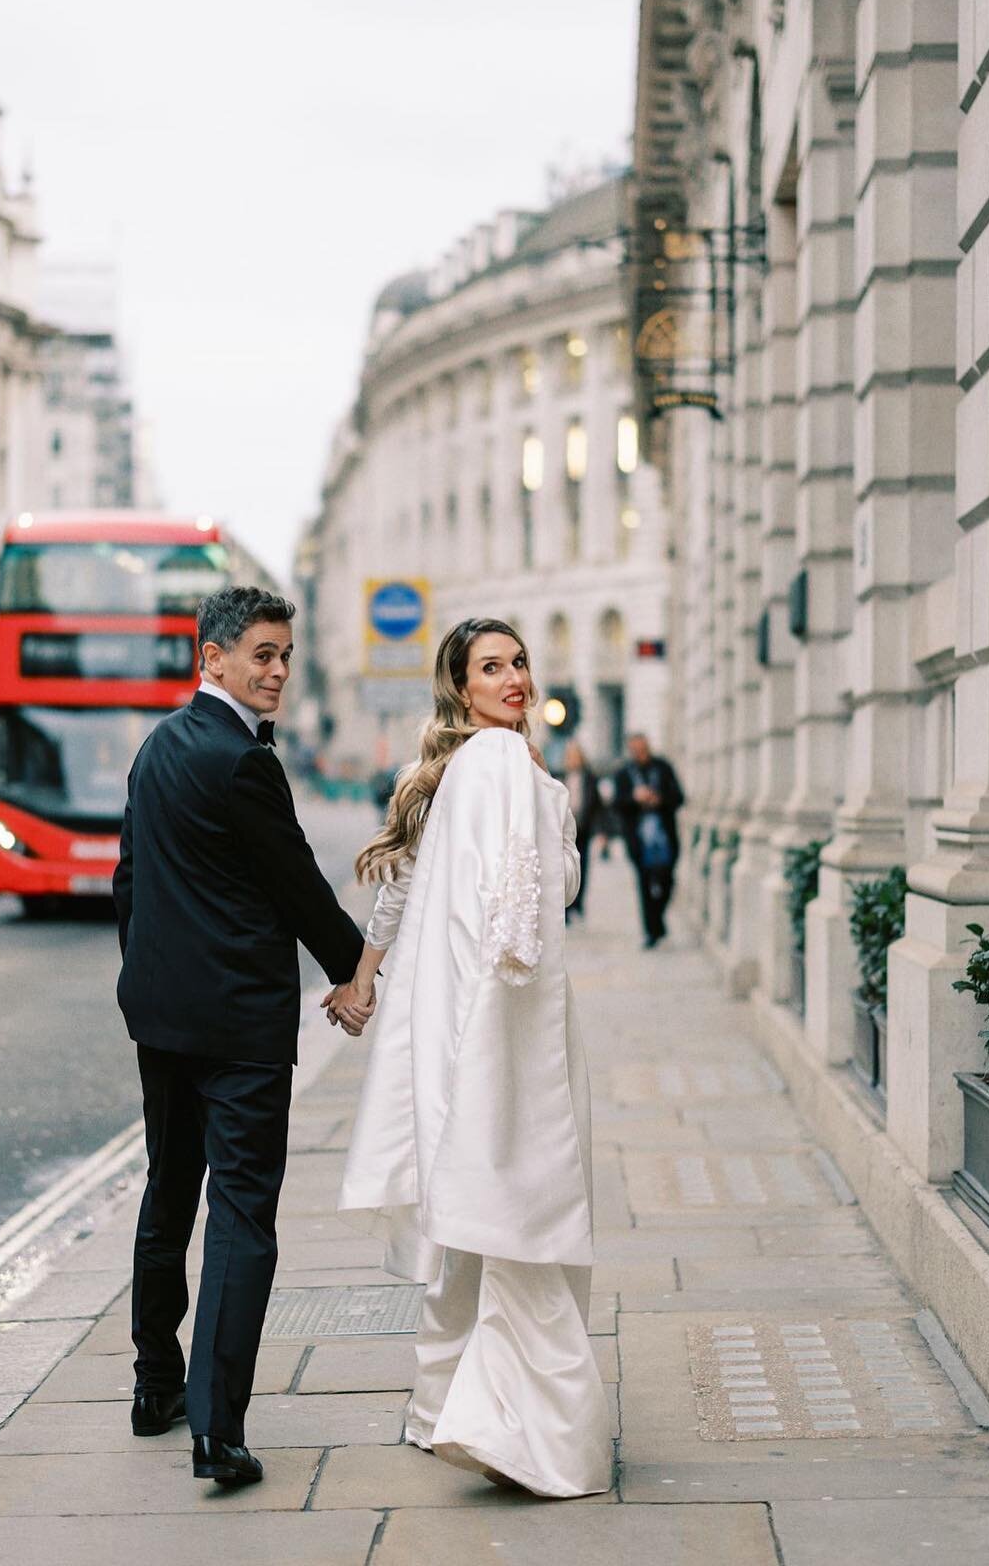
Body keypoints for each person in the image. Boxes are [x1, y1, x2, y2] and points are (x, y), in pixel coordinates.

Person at [332, 618, 614, 1499]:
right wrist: (503, 1011)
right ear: (460, 688)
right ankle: (523, 1432)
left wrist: (364, 981)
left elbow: (405, 891)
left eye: (519, 661)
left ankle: (444, 1400)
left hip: (463, 1017)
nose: (513, 677)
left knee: (469, 1216)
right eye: (491, 667)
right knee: (520, 1207)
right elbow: (523, 907)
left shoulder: (469, 769)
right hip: (508, 1018)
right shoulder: (499, 766)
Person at [113, 585, 368, 1487]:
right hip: (241, 1030)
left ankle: (155, 1387)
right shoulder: (242, 762)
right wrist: (357, 966)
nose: (278, 671)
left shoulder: (157, 751)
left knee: (169, 1194)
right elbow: (297, 886)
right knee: (243, 1215)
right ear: (212, 658)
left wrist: (143, 980)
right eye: (262, 654)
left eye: (285, 656)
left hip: (163, 1019)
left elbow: (130, 885)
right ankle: (216, 1429)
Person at [613, 733, 684, 949]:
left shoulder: (662, 768)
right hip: (638, 840)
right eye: (636, 750)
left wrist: (659, 799)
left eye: (643, 749)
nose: (640, 754)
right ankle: (651, 931)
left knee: (667, 881)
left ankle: (658, 920)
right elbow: (617, 804)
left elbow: (679, 797)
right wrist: (635, 799)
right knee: (644, 884)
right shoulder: (624, 773)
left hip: (665, 837)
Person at [558, 738, 602, 921]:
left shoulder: (589, 777)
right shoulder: (559, 775)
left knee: (581, 867)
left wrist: (601, 831)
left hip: (583, 829)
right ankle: (566, 907)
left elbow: (597, 805)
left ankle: (578, 903)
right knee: (562, 867)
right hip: (563, 831)